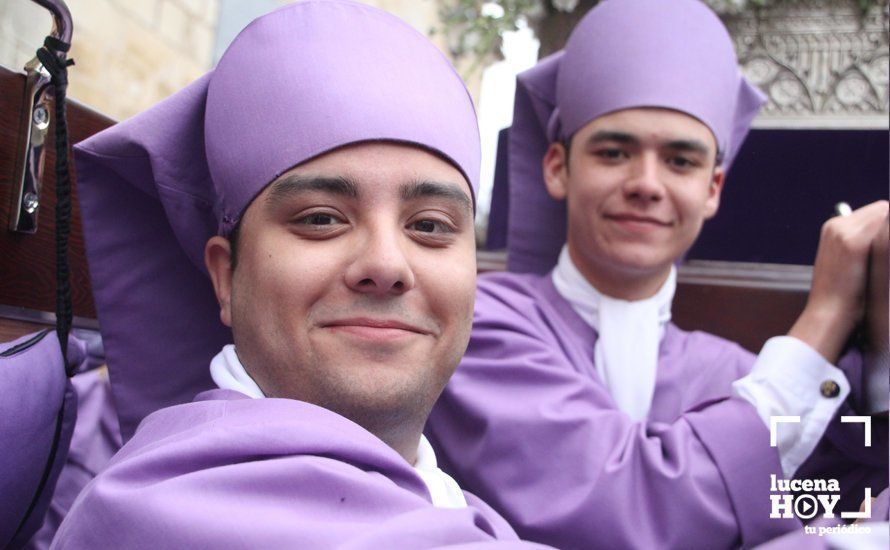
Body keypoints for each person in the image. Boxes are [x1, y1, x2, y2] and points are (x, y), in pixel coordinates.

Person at [50, 2, 548, 547]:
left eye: (428, 226)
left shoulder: (460, 510)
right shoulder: (174, 511)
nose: (385, 265)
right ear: (225, 276)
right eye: (321, 220)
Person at [426, 0, 889, 548]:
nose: (647, 183)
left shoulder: (735, 372)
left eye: (681, 161)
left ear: (712, 189)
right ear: (557, 167)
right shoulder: (478, 325)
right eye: (615, 152)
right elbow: (628, 505)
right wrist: (828, 315)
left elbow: (835, 505)